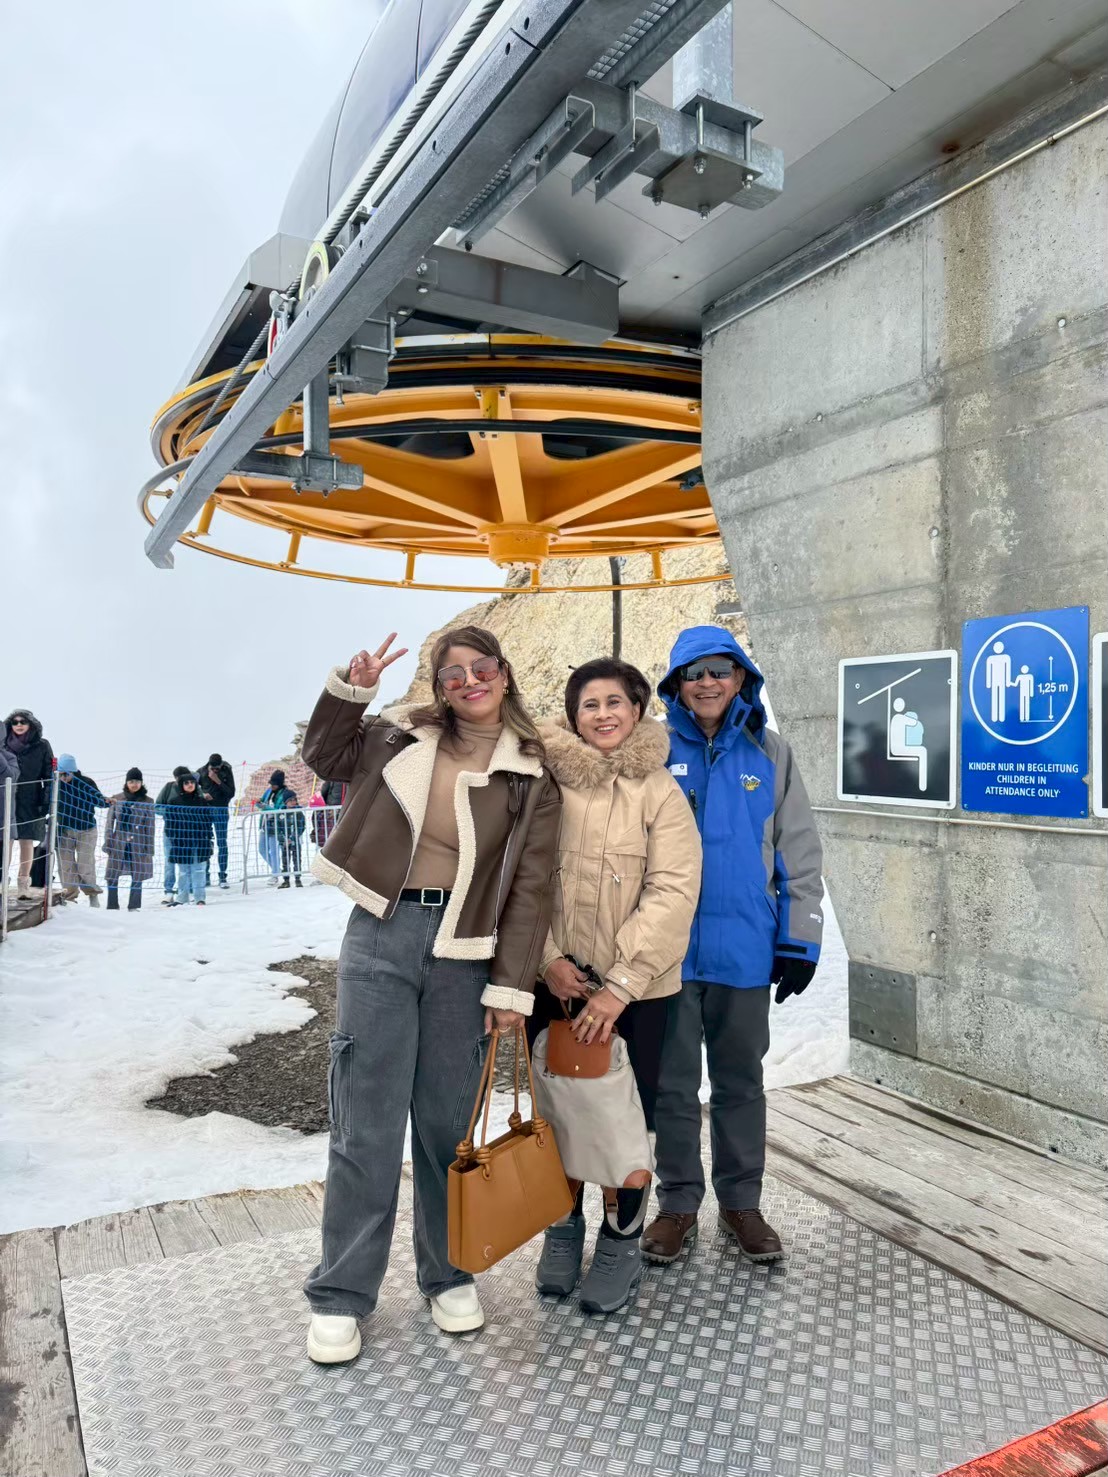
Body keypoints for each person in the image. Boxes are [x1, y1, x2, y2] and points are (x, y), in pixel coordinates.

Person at [301, 627, 561, 1365]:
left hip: (466, 949)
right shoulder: (398, 738)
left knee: (448, 1124)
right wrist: (352, 690)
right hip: (381, 932)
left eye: (482, 668)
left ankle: (448, 1273)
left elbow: (531, 888)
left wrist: (511, 987)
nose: (469, 681)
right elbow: (325, 755)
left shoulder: (532, 775)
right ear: (439, 686)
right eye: (453, 673)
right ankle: (341, 1292)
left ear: (504, 674)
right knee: (366, 1120)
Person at [641, 626, 823, 1266]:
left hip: (744, 947)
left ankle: (742, 1203)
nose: (707, 683)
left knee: (741, 1081)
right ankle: (678, 1204)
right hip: (665, 954)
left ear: (741, 677)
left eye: (720, 670)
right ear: (676, 685)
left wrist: (799, 938)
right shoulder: (653, 750)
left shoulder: (770, 752)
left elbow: (799, 849)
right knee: (672, 1086)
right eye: (694, 673)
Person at [530, 658, 701, 1313]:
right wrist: (547, 959)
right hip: (557, 987)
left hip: (637, 994)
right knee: (558, 1115)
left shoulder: (660, 792)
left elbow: (673, 890)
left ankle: (620, 1241)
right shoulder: (546, 784)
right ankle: (562, 1228)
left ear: (636, 709)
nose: (603, 714)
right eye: (589, 704)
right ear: (573, 717)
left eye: (615, 702)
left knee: (623, 1124)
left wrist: (619, 984)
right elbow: (523, 880)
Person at [3, 710, 53, 899]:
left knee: (26, 841)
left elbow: (49, 775)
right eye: (15, 722)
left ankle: (23, 884)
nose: (19, 725)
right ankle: (2, 882)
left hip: (31, 799)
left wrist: (46, 801)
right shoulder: (3, 744)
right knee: (5, 841)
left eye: (23, 721)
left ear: (31, 724)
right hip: (5, 797)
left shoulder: (42, 745)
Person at [55, 756, 109, 906]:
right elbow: (49, 802)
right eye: (60, 774)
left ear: (73, 771)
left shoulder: (86, 783)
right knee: (66, 865)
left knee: (85, 863)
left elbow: (99, 800)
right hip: (64, 830)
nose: (63, 778)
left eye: (66, 774)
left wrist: (107, 801)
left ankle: (92, 894)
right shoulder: (56, 784)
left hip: (86, 829)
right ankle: (69, 896)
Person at [104, 769, 155, 911]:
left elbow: (150, 826)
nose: (134, 784)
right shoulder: (117, 799)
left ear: (141, 783)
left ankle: (134, 905)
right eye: (131, 781)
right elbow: (109, 823)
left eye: (137, 781)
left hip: (138, 842)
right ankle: (112, 905)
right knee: (112, 873)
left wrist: (149, 848)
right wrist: (108, 842)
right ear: (126, 782)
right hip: (118, 842)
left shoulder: (148, 801)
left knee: (138, 873)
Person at [162, 773, 213, 906]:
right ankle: (181, 898)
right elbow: (169, 823)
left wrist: (208, 837)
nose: (190, 785)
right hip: (181, 842)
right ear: (181, 785)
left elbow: (208, 822)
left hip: (200, 842)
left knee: (199, 869)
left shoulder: (202, 802)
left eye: (192, 782)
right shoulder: (174, 802)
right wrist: (174, 838)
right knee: (184, 871)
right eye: (186, 783)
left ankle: (199, 898)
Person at [258, 770, 304, 888]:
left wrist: (266, 808)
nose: (272, 786)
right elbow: (262, 802)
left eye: (274, 784)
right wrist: (259, 803)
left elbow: (280, 809)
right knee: (262, 849)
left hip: (276, 824)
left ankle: (276, 874)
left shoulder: (284, 793)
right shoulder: (269, 791)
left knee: (275, 851)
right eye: (271, 783)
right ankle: (277, 870)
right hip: (265, 823)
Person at [197, 753, 235, 888]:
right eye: (213, 768)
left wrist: (218, 780)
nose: (215, 770)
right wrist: (202, 794)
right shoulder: (201, 772)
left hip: (221, 810)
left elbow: (231, 793)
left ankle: (223, 876)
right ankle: (205, 876)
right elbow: (193, 789)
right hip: (206, 811)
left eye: (217, 768)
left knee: (222, 842)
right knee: (205, 842)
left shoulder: (226, 770)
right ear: (209, 765)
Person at [155, 766, 190, 903]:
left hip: (188, 832)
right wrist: (171, 812)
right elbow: (157, 807)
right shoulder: (168, 788)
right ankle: (168, 891)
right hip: (170, 830)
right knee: (169, 861)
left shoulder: (193, 788)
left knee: (185, 863)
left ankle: (185, 891)